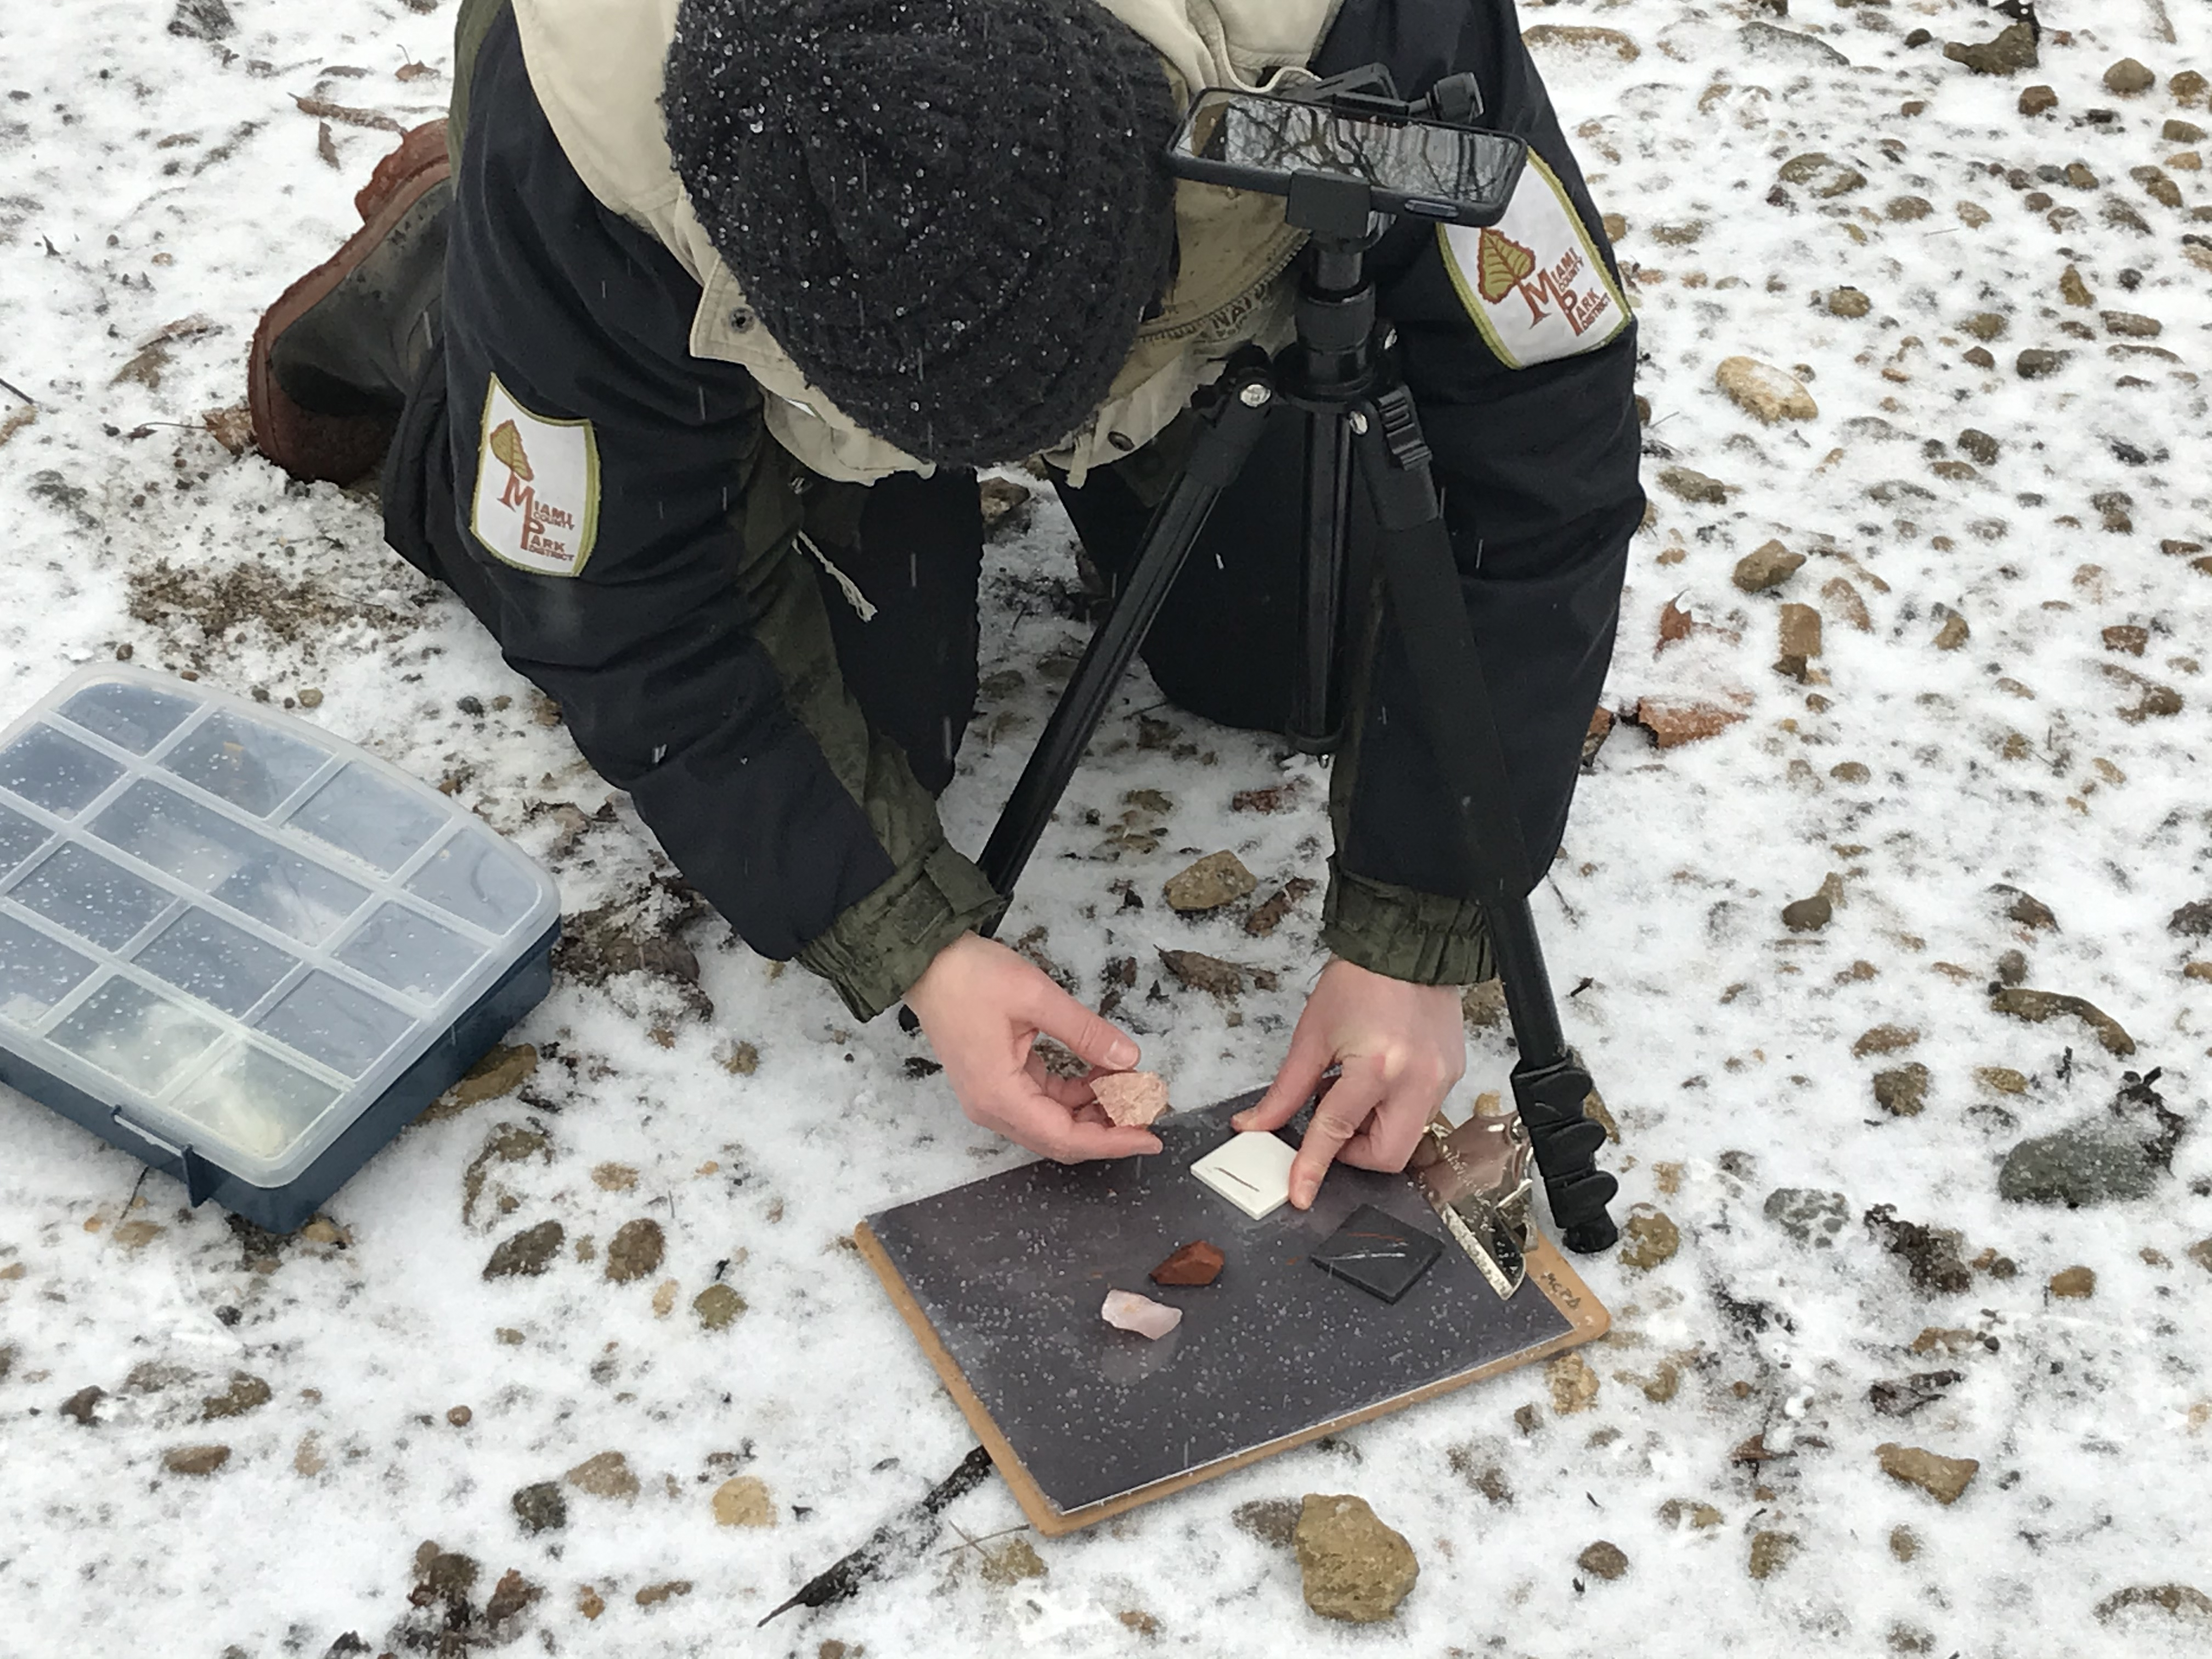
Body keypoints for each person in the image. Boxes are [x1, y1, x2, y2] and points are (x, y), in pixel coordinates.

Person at [247, 0, 1641, 1211]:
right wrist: (915, 944)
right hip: (748, 329)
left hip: (1186, 298)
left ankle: (1065, 385)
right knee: (866, 758)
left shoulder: (1353, 26)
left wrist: (1419, 928)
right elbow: (621, 604)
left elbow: (1540, 436)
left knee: (1303, 661)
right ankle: (453, 279)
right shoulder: (579, 134)